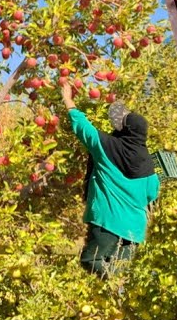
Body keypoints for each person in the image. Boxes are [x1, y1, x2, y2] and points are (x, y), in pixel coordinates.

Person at [61, 83, 160, 277]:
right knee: (120, 272)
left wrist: (68, 100)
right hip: (135, 230)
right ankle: (115, 288)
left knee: (91, 260)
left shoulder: (108, 147)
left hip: (108, 222)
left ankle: (111, 283)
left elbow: (84, 129)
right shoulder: (148, 163)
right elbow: (152, 193)